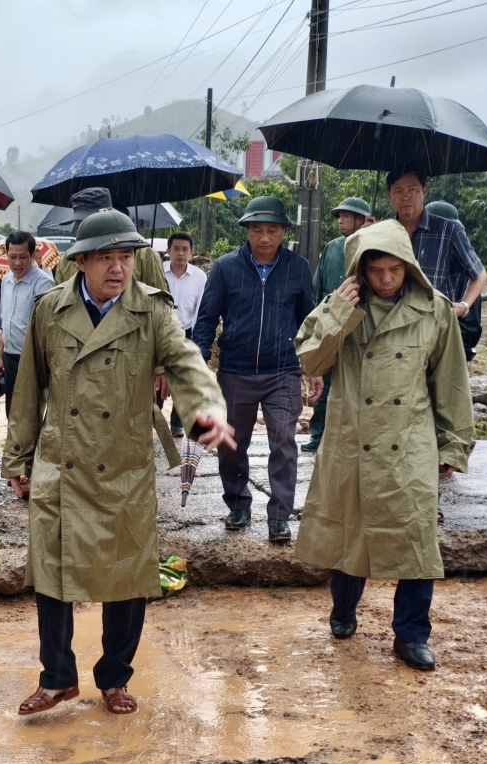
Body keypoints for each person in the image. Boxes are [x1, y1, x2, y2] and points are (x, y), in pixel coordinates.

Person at [2, 209, 234, 718]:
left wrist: (204, 410)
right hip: (61, 459)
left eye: (125, 257)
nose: (117, 268)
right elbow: (29, 389)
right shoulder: (51, 310)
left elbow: (184, 361)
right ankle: (57, 678)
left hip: (124, 460)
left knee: (128, 577)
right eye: (105, 257)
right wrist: (17, 456)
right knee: (51, 572)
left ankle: (114, 678)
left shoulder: (151, 310)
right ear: (81, 262)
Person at [294, 220, 473, 670]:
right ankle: (344, 609)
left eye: (396, 269)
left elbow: (450, 381)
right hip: (352, 438)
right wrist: (337, 312)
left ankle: (411, 635)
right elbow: (310, 359)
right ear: (360, 270)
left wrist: (453, 445)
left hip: (409, 440)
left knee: (415, 539)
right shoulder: (341, 305)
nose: (388, 280)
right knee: (350, 534)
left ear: (409, 267)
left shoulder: (435, 310)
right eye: (378, 271)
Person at [193, 195, 317, 543]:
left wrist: (316, 366)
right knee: (231, 444)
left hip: (283, 371)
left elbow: (308, 321)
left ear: (283, 232)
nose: (264, 238)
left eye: (272, 230)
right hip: (235, 371)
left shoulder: (298, 268)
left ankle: (279, 516)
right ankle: (238, 504)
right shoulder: (225, 267)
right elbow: (206, 318)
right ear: (247, 230)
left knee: (284, 441)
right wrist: (198, 362)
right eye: (257, 230)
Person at [388, 163, 487, 353]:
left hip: (436, 332)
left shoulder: (448, 231)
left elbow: (479, 274)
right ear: (389, 195)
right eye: (398, 191)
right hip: (394, 332)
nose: (406, 196)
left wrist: (464, 306)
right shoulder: (385, 233)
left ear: (424, 191)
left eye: (413, 190)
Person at [304, 197, 372, 454]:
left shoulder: (372, 246)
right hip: (332, 320)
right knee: (324, 377)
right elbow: (319, 285)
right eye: (339, 216)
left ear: (361, 219)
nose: (340, 221)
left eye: (346, 216)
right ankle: (318, 433)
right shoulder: (332, 248)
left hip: (361, 325)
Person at [52, 188, 169, 292]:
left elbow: (159, 304)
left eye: (125, 257)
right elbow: (59, 304)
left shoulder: (145, 255)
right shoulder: (67, 259)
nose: (83, 226)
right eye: (79, 222)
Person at [423, 200, 483, 360]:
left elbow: (471, 329)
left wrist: (459, 310)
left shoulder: (466, 274)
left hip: (450, 347)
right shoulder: (423, 265)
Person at [0, 230, 54, 403]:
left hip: (30, 360)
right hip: (9, 357)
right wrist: (0, 355)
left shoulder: (43, 283)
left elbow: (47, 328)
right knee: (11, 410)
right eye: (12, 256)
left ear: (32, 255)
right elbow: (5, 321)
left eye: (23, 257)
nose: (17, 262)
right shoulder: (5, 280)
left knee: (29, 413)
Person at [163, 231, 207, 436]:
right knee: (158, 376)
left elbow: (200, 308)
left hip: (186, 333)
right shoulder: (159, 272)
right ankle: (154, 418)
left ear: (191, 253)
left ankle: (177, 422)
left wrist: (198, 339)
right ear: (168, 251)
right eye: (176, 249)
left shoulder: (199, 277)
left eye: (185, 250)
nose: (180, 254)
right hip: (160, 333)